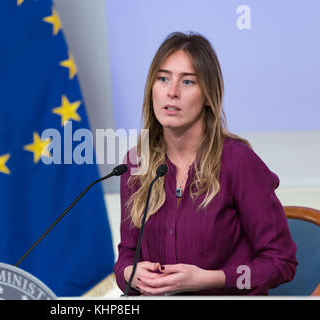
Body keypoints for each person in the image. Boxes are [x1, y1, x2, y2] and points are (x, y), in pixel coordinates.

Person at [113, 32, 297, 295]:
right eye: (163, 79)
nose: (172, 92)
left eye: (187, 82)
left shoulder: (238, 162)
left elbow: (281, 262)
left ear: (209, 96)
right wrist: (130, 273)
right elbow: (126, 257)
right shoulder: (135, 164)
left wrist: (213, 279)